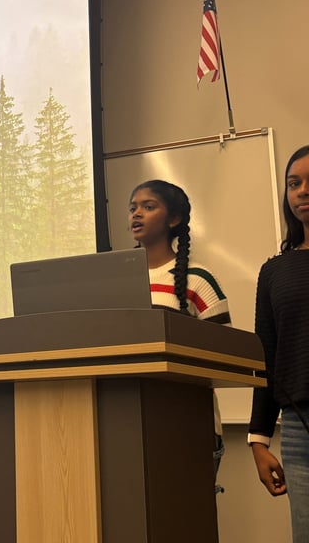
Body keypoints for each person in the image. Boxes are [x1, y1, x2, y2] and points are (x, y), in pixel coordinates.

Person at [129, 179, 231, 490]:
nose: (136, 214)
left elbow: (225, 353)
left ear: (174, 219)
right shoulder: (113, 281)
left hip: (188, 424)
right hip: (129, 421)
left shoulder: (197, 279)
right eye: (133, 208)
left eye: (148, 206)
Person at [248, 145, 309, 541]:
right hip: (299, 428)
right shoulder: (275, 271)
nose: (302, 190)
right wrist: (258, 439)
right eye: (293, 183)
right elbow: (266, 357)